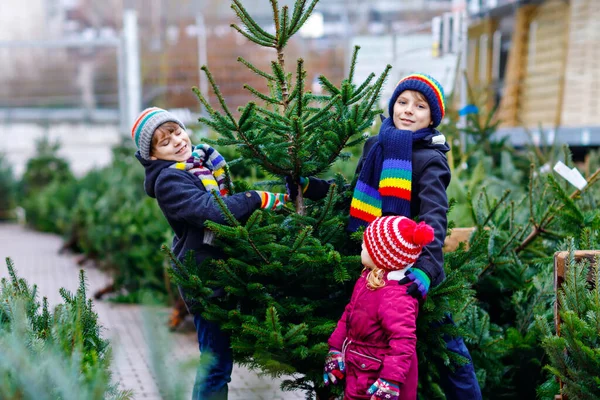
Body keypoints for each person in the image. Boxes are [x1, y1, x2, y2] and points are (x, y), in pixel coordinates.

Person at [289, 74, 482, 399]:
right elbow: (355, 193)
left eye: (420, 106)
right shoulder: (376, 145)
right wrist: (312, 187)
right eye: (403, 102)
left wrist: (425, 271)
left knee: (448, 345)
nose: (408, 110)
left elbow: (434, 218)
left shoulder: (430, 160)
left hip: (412, 267)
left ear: (432, 117)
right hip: (371, 258)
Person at [132, 107, 288, 400]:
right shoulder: (169, 181)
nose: (178, 141)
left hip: (225, 271)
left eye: (177, 131)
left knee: (217, 363)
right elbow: (211, 212)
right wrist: (255, 198)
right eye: (165, 142)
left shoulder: (202, 163)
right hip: (205, 280)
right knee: (215, 365)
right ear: (152, 156)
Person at [325, 215, 435, 400]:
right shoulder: (367, 280)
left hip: (377, 379)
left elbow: (403, 341)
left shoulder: (396, 296)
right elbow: (348, 314)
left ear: (383, 257)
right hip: (359, 368)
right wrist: (335, 349)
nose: (362, 246)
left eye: (367, 245)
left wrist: (390, 380)